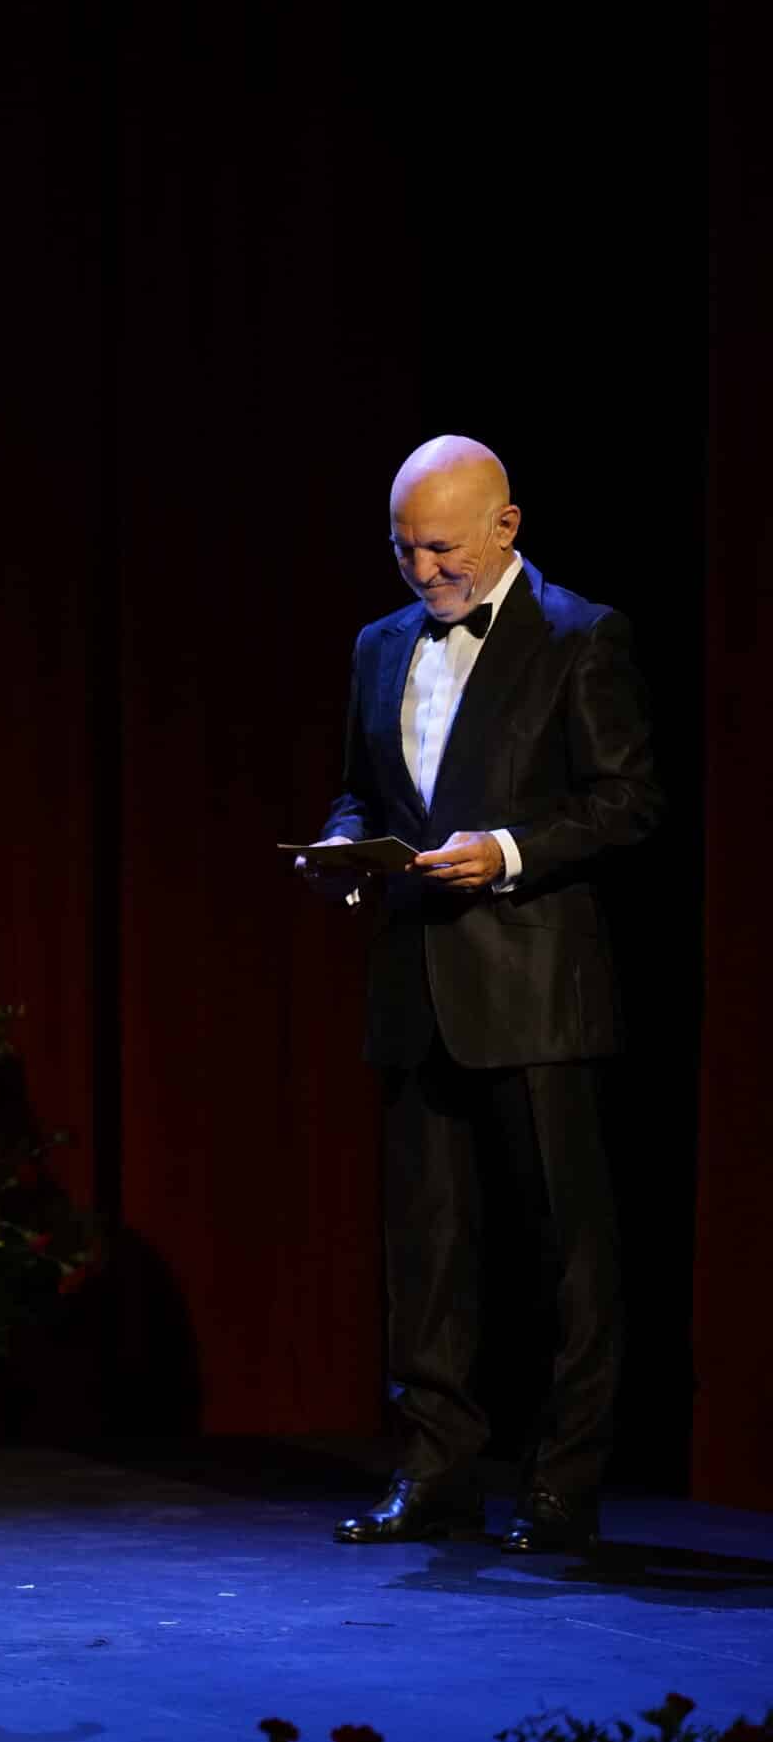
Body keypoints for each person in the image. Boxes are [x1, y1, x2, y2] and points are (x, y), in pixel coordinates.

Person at [305, 435, 660, 1556]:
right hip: (417, 988)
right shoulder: (378, 645)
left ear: (507, 526)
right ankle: (435, 1475)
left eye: (443, 546)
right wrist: (343, 844)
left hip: (538, 991)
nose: (423, 569)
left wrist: (507, 849)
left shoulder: (581, 636)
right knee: (429, 1251)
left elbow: (628, 802)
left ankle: (563, 1484)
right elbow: (365, 791)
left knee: (567, 1253)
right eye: (405, 548)